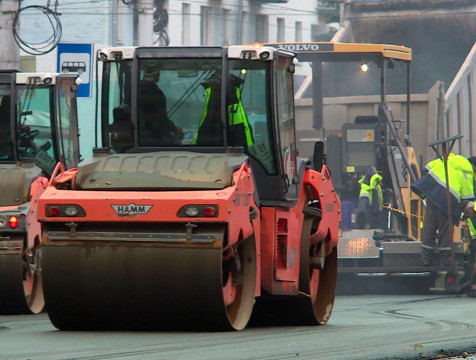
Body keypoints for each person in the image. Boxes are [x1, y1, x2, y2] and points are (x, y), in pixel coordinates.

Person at [411, 154, 476, 268]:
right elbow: (467, 197)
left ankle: (425, 259)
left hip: (433, 194)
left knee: (429, 226)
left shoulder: (447, 159)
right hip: (448, 197)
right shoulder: (467, 171)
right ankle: (445, 260)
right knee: (445, 229)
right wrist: (467, 207)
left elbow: (425, 169)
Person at [138, 65, 183, 145]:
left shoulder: (133, 91)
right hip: (152, 137)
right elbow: (159, 119)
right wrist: (173, 129)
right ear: (157, 77)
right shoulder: (155, 93)